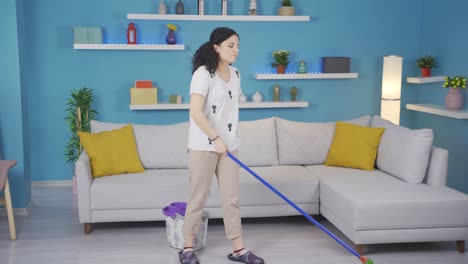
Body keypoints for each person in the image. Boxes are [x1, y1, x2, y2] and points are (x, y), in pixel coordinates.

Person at [179, 27, 265, 264]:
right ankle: (187, 248)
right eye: (231, 45)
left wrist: (225, 141)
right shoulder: (203, 74)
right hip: (203, 146)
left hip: (229, 146)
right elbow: (196, 112)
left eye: (238, 45)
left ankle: (239, 249)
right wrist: (215, 139)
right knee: (198, 197)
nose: (236, 50)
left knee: (231, 199)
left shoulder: (236, 74)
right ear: (216, 47)